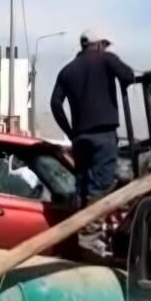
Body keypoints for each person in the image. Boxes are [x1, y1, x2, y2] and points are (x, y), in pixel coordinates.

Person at [50, 29, 135, 257]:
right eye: (104, 45)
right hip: (103, 135)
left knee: (82, 185)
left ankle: (78, 232)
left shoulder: (67, 70)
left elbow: (55, 104)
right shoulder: (106, 59)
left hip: (80, 137)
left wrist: (70, 131)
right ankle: (89, 238)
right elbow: (129, 76)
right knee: (101, 186)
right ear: (98, 45)